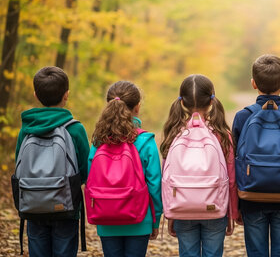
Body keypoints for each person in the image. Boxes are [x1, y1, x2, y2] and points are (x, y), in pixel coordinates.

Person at [232, 54, 280, 257]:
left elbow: (234, 163)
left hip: (251, 197)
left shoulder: (242, 117)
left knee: (256, 252)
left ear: (253, 83)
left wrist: (236, 204)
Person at [14, 66, 90, 257]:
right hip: (65, 206)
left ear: (35, 95)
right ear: (67, 95)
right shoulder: (75, 128)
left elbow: (19, 165)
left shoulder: (27, 129)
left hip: (33, 205)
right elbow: (85, 170)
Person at [160, 74, 238, 257]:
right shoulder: (221, 134)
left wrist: (170, 211)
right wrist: (232, 212)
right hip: (214, 207)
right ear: (211, 101)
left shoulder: (174, 132)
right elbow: (231, 178)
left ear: (182, 101)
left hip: (182, 208)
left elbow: (166, 176)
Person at [88, 81, 162, 257]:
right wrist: (155, 220)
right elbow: (154, 184)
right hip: (139, 218)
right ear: (137, 107)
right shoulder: (145, 141)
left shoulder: (99, 141)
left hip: (106, 217)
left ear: (109, 105)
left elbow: (90, 178)